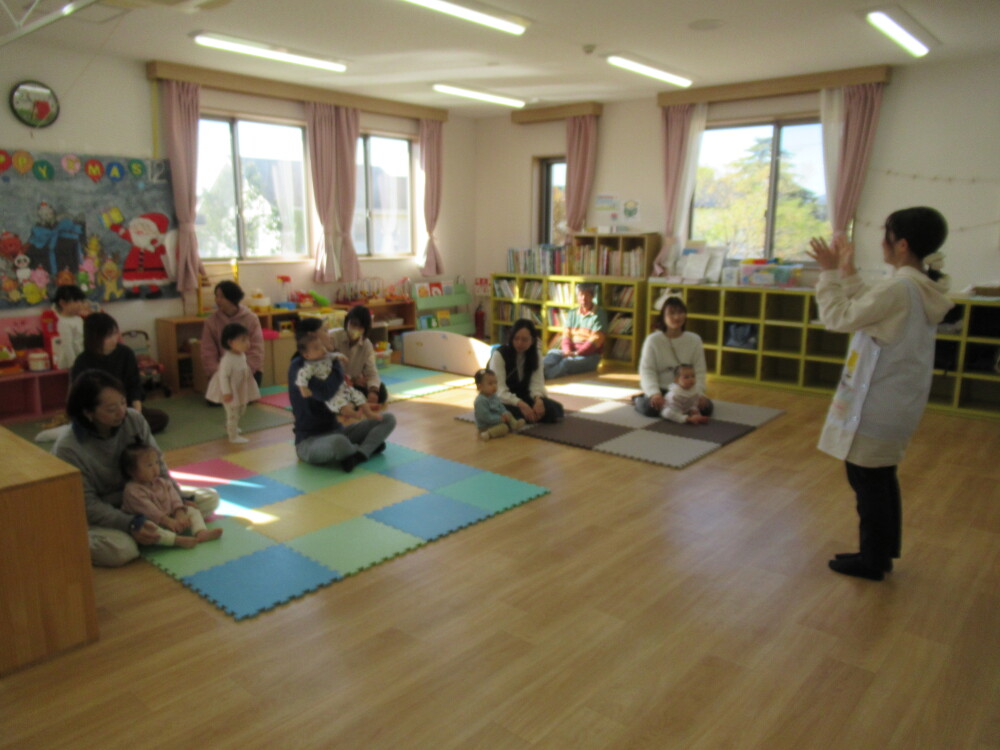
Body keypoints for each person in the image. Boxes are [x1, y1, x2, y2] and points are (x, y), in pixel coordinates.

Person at [807, 207, 954, 581]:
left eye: (886, 235)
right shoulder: (915, 286)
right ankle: (880, 552)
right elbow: (868, 307)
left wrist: (828, 273)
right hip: (897, 403)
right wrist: (847, 270)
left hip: (877, 404)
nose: (881, 242)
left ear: (901, 245)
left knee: (868, 481)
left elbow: (839, 317)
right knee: (880, 478)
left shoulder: (899, 288)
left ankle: (872, 561)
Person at [52, 369, 220, 567]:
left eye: (123, 402)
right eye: (111, 409)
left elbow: (159, 466)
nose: (122, 412)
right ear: (88, 412)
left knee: (209, 498)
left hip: (147, 497)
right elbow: (89, 505)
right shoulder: (69, 449)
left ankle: (155, 532)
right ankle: (140, 533)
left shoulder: (133, 420)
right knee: (122, 551)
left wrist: (179, 502)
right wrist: (131, 523)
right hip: (107, 510)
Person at [289, 318, 397, 473]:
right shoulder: (300, 367)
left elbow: (342, 391)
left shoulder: (330, 359)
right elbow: (326, 392)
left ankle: (359, 454)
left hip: (338, 431)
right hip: (310, 441)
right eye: (325, 331)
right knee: (338, 443)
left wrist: (358, 405)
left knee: (388, 419)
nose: (329, 335)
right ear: (312, 336)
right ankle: (366, 447)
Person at [72, 312, 169, 433]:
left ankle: (121, 432)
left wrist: (137, 413)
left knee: (160, 418)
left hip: (124, 408)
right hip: (99, 413)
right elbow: (80, 398)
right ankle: (121, 432)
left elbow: (134, 385)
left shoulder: (125, 353)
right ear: (94, 338)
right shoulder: (82, 361)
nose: (115, 339)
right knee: (87, 427)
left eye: (115, 333)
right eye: (108, 336)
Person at [120, 442, 223, 548]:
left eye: (156, 463)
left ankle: (201, 532)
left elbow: (174, 497)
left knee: (192, 510)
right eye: (149, 465)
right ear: (132, 471)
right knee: (149, 528)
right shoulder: (133, 491)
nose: (155, 468)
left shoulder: (161, 482)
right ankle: (175, 540)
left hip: (170, 516)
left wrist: (179, 512)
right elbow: (150, 511)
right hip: (153, 520)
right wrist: (167, 521)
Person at [634, 296, 713, 418]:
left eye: (680, 312)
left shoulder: (695, 339)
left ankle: (673, 410)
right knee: (651, 408)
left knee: (706, 408)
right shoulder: (653, 340)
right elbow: (647, 370)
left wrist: (700, 394)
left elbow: (700, 370)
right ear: (663, 317)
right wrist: (654, 393)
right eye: (671, 313)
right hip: (662, 389)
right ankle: (638, 399)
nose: (677, 317)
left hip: (687, 390)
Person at [295, 330, 380, 424]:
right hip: (333, 394)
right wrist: (303, 389)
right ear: (307, 355)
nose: (322, 349)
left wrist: (341, 356)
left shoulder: (326, 356)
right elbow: (301, 376)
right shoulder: (309, 367)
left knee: (358, 396)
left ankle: (369, 413)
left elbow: (333, 355)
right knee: (343, 406)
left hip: (344, 387)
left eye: (322, 345)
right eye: (317, 348)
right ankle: (354, 414)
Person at [488, 319, 564, 424]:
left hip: (523, 395)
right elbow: (499, 390)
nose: (519, 343)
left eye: (524, 340)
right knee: (509, 412)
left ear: (532, 340)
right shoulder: (499, 355)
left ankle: (528, 417)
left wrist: (538, 400)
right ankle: (526, 417)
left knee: (555, 409)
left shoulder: (535, 354)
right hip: (503, 398)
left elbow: (537, 384)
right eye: (516, 338)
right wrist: (521, 404)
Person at [200, 280, 265, 388]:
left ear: (232, 298)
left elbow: (256, 350)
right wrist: (220, 373)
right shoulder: (211, 322)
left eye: (221, 297)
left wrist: (244, 371)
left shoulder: (251, 319)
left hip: (249, 371)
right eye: (216, 296)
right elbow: (208, 352)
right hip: (222, 372)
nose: (217, 300)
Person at [204, 322, 261, 443]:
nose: (248, 343)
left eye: (248, 339)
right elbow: (223, 377)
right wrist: (227, 392)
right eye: (243, 340)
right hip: (230, 390)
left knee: (241, 409)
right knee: (233, 412)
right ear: (230, 343)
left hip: (239, 387)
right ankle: (233, 436)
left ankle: (231, 426)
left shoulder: (241, 355)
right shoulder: (227, 360)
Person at [542, 283, 607, 379]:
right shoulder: (572, 313)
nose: (583, 299)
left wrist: (577, 353)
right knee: (552, 354)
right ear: (577, 296)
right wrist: (567, 351)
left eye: (587, 295)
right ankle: (537, 375)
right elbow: (566, 335)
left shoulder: (599, 314)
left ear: (592, 296)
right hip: (571, 352)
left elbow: (596, 339)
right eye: (581, 295)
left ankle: (544, 378)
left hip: (590, 356)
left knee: (567, 363)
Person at [328, 304, 388, 407]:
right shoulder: (333, 337)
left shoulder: (366, 345)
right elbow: (325, 367)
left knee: (381, 391)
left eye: (360, 327)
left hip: (353, 385)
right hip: (335, 383)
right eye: (353, 324)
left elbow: (372, 372)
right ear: (347, 322)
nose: (356, 329)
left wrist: (373, 391)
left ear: (365, 329)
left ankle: (354, 403)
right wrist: (350, 380)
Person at [474, 368, 525, 441]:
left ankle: (515, 424)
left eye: (495, 383)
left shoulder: (494, 396)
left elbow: (501, 407)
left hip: (497, 419)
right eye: (490, 384)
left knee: (508, 413)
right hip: (486, 425)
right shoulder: (480, 401)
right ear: (480, 387)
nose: (494, 386)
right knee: (504, 428)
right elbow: (486, 417)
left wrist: (504, 413)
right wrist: (499, 419)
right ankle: (488, 433)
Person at [49, 284, 88, 369]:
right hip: (70, 364)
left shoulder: (78, 319)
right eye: (75, 301)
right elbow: (67, 346)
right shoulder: (63, 322)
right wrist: (74, 365)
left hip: (81, 358)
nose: (80, 304)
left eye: (81, 301)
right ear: (62, 303)